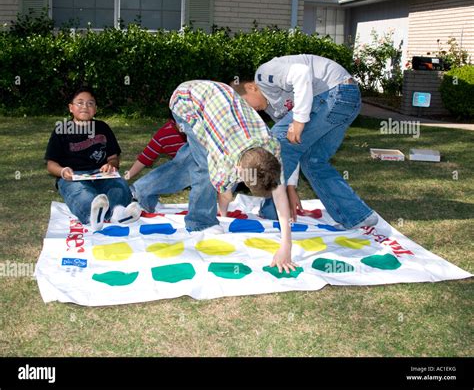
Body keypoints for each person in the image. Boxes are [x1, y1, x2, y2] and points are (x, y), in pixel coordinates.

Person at [231, 54, 378, 229]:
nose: (249, 110)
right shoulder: (274, 109)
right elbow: (293, 148)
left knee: (274, 143)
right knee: (312, 160)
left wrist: (299, 120)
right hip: (346, 101)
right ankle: (358, 216)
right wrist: (291, 188)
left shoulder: (263, 75)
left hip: (334, 91)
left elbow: (301, 73)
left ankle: (273, 212)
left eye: (245, 103)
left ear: (251, 87)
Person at [169, 80, 296, 273]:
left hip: (219, 97)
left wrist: (287, 245)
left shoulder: (272, 147)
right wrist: (224, 212)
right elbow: (225, 193)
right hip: (185, 99)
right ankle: (199, 222)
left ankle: (143, 189)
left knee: (190, 160)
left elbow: (280, 194)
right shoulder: (224, 158)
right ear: (237, 168)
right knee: (203, 168)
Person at [45, 86, 140, 231]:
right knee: (80, 192)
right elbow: (51, 164)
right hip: (74, 176)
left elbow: (114, 158)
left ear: (95, 109)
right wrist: (63, 171)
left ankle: (117, 212)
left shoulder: (103, 127)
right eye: (80, 102)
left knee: (119, 185)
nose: (85, 107)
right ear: (71, 108)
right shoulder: (61, 130)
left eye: (90, 103)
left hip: (101, 174)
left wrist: (111, 165)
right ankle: (93, 216)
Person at [127, 116, 189, 213]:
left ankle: (137, 193)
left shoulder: (199, 130)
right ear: (172, 121)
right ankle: (139, 197)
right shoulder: (165, 134)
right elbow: (145, 158)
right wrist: (125, 177)